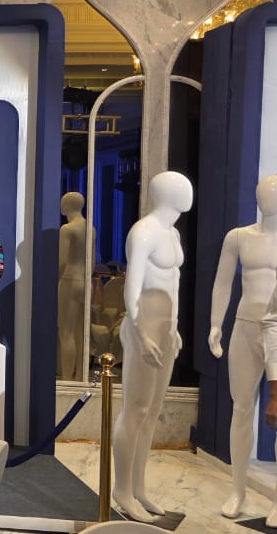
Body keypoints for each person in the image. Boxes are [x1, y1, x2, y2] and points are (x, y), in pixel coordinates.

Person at [112, 171, 192, 522]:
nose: (188, 191)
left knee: (152, 410)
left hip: (166, 331)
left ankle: (139, 487)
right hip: (143, 326)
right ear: (165, 193)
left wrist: (173, 328)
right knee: (135, 409)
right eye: (181, 187)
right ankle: (122, 490)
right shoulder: (143, 231)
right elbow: (132, 286)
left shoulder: (172, 233)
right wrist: (140, 332)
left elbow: (173, 284)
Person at [213, 176, 277, 521]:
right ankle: (237, 491)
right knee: (240, 409)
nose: (267, 199)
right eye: (263, 193)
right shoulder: (238, 237)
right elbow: (223, 282)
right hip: (244, 326)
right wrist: (215, 324)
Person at [58, 192, 92, 380]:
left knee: (67, 333)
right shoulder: (91, 229)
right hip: (85, 281)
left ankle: (66, 379)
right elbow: (91, 263)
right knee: (81, 334)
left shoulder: (67, 229)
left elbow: (62, 261)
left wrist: (54, 280)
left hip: (70, 279)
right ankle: (80, 378)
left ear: (66, 207)